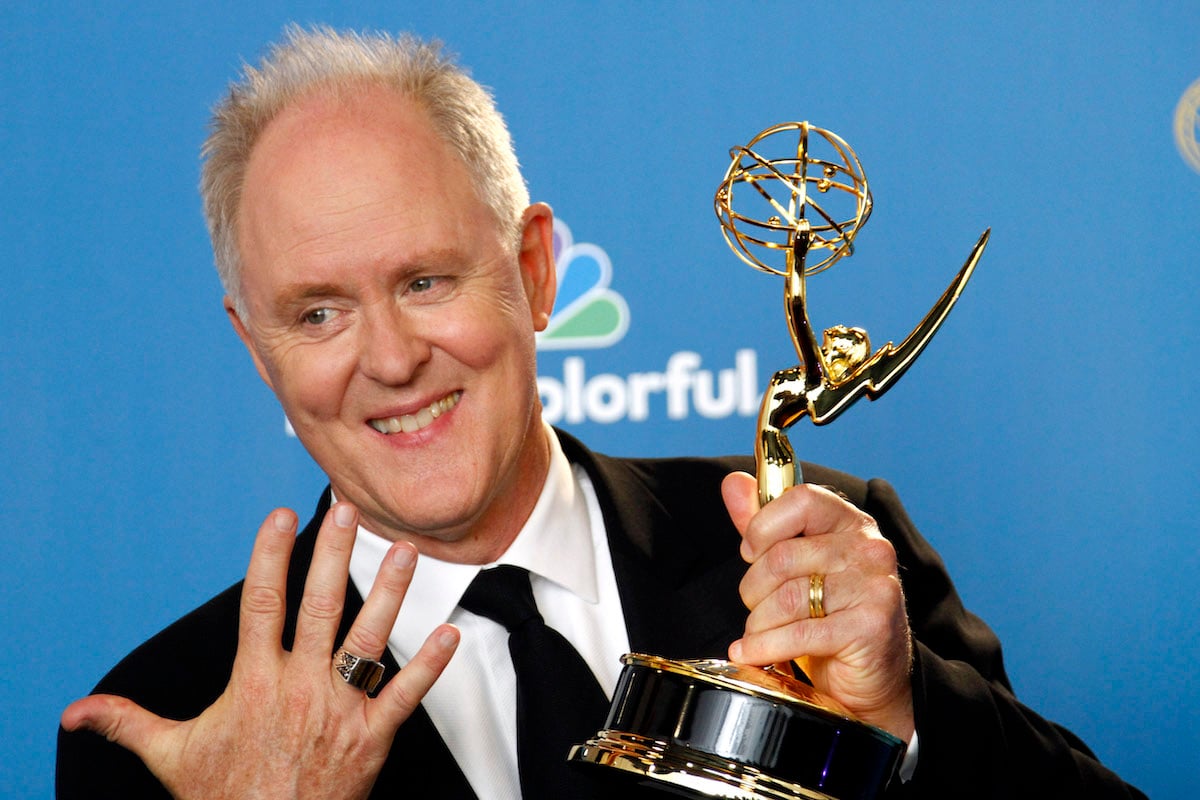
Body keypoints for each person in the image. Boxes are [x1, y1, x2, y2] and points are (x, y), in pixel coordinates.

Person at [57, 25, 1146, 800]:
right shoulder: (178, 724)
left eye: (425, 281)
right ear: (258, 351)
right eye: (318, 310)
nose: (388, 358)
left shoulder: (820, 554)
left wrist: (910, 720)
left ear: (534, 270)